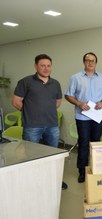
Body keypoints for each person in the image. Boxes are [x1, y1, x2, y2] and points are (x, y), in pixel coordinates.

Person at [12, 54, 68, 190]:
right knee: (31, 155)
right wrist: (30, 111)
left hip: (52, 126)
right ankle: (32, 181)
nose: (46, 68)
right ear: (36, 66)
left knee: (53, 155)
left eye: (48, 66)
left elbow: (57, 102)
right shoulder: (25, 82)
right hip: (32, 126)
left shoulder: (55, 83)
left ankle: (54, 179)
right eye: (42, 65)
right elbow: (16, 102)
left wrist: (44, 110)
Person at [65, 52, 102, 183]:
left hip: (97, 116)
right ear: (84, 62)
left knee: (96, 143)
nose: (90, 63)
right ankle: (82, 171)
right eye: (87, 60)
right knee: (84, 143)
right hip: (82, 116)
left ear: (96, 63)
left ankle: (96, 168)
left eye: (93, 61)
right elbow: (68, 95)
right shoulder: (76, 78)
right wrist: (79, 103)